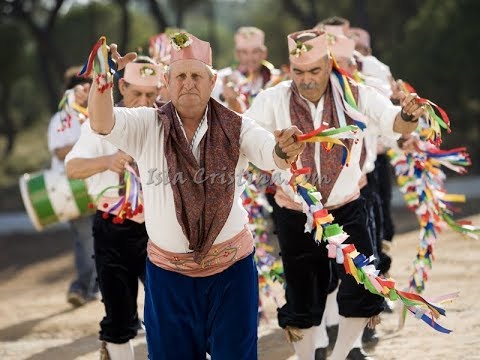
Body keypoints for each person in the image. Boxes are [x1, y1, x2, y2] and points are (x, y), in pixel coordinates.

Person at [85, 32, 305, 359]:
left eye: (196, 75)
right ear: (167, 81)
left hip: (231, 274)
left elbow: (269, 153)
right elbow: (102, 123)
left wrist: (285, 148)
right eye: (181, 75)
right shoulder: (147, 124)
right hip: (167, 277)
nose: (188, 83)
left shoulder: (237, 125)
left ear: (213, 79)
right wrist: (102, 79)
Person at [245, 29, 423, 360]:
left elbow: (395, 123)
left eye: (314, 71)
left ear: (328, 65)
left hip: (346, 207)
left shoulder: (357, 93)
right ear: (290, 68)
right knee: (301, 294)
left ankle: (341, 356)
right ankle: (308, 356)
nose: (307, 80)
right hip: (294, 210)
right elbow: (246, 140)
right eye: (299, 72)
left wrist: (408, 114)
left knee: (362, 284)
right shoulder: (272, 99)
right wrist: (274, 150)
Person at [65, 57, 163, 360]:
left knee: (168, 307)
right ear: (121, 85)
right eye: (137, 93)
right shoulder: (98, 121)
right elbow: (73, 168)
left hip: (159, 228)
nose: (145, 102)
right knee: (118, 314)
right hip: (112, 228)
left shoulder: (164, 121)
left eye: (152, 95)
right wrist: (107, 161)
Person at [47, 67, 98, 307]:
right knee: (86, 238)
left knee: (89, 239)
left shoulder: (98, 112)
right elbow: (58, 152)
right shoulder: (61, 119)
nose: (87, 91)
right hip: (73, 188)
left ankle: (88, 286)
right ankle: (82, 286)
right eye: (84, 86)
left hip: (98, 183)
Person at [212, 26, 278, 113]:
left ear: (264, 53)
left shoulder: (277, 77)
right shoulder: (220, 78)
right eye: (244, 52)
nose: (250, 58)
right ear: (237, 54)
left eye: (255, 51)